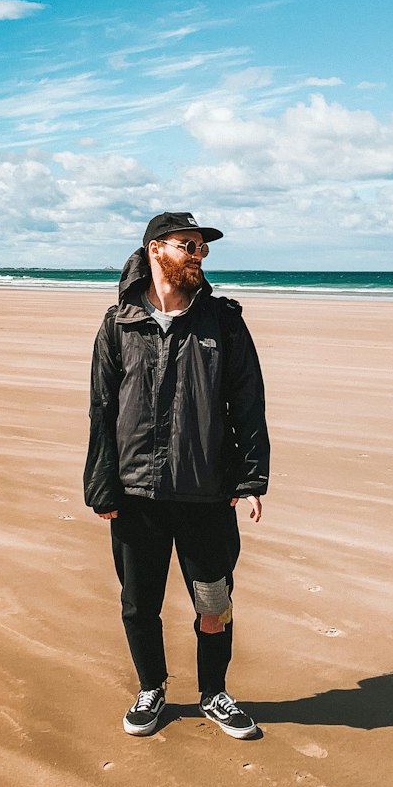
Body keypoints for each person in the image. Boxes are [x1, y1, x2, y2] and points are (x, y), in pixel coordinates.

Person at [84, 212, 270, 740]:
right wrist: (100, 483)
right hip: (135, 494)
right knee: (139, 604)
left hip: (207, 495)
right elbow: (101, 409)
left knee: (214, 602)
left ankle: (214, 694)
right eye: (188, 245)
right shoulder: (118, 323)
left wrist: (252, 479)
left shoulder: (223, 322)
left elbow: (248, 404)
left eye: (202, 248)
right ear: (155, 250)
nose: (198, 255)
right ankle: (152, 689)